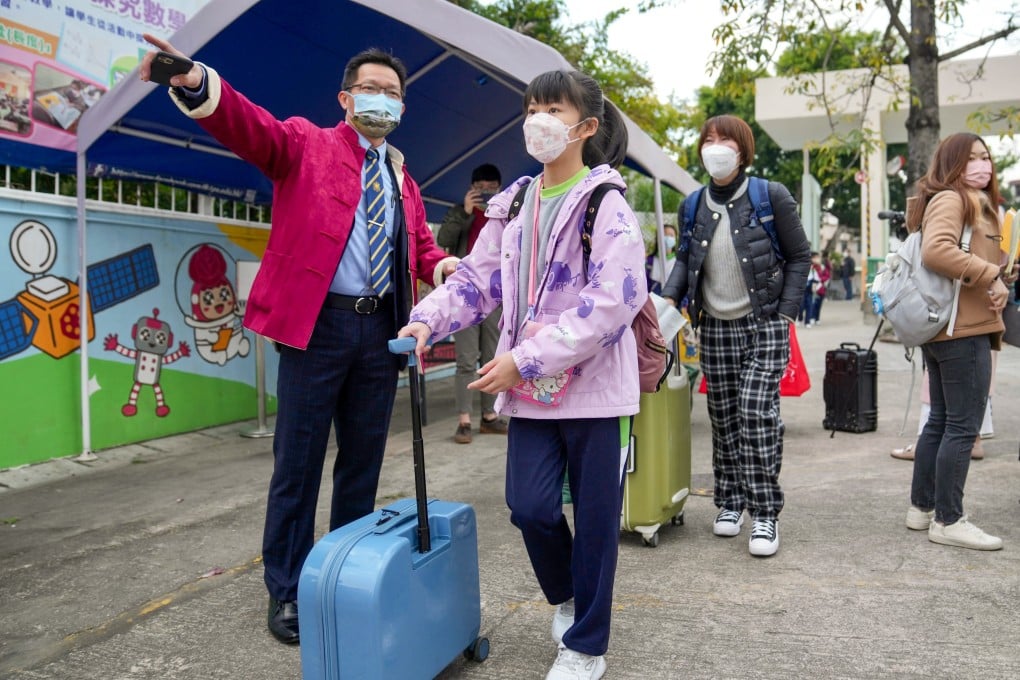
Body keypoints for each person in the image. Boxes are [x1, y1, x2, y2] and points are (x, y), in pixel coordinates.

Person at [139, 36, 458, 643]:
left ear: (402, 107)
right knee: (299, 463)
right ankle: (286, 588)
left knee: (361, 464)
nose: (382, 100)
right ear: (345, 98)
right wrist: (196, 81)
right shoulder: (305, 144)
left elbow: (419, 246)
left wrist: (442, 266)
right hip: (317, 326)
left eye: (392, 93)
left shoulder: (403, 179)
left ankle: (344, 577)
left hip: (381, 331)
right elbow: (249, 126)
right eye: (371, 89)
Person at [399, 69, 643, 680]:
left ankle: (586, 647)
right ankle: (569, 596)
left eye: (553, 109)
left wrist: (524, 358)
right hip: (531, 391)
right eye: (532, 107)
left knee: (596, 525)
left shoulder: (606, 204)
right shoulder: (513, 205)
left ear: (585, 126)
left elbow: (615, 301)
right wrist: (427, 319)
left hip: (595, 393)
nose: (538, 119)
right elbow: (477, 280)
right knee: (529, 507)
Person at [662, 114, 811, 558]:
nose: (715, 146)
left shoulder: (770, 195)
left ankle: (765, 511)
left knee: (756, 412)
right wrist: (668, 299)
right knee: (724, 417)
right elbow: (684, 260)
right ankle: (730, 500)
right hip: (714, 326)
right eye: (709, 139)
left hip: (763, 323)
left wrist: (784, 316)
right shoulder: (692, 204)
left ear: (743, 150)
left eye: (725, 139)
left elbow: (800, 257)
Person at [901, 131, 1009, 551]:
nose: (983, 165)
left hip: (948, 327)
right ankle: (949, 519)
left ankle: (922, 508)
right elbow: (937, 251)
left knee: (942, 421)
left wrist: (1001, 271)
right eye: (972, 159)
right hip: (961, 329)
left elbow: (967, 259)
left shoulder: (970, 201)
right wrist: (990, 274)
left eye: (986, 157)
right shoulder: (953, 198)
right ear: (952, 164)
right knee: (963, 426)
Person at [436, 163, 509, 443]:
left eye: (491, 188)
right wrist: (465, 212)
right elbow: (443, 240)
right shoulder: (459, 211)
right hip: (466, 295)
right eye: (481, 188)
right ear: (471, 188)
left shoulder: (504, 215)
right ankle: (464, 421)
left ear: (500, 188)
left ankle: (489, 416)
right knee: (466, 359)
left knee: (492, 358)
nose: (486, 193)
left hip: (496, 296)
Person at [645, 224, 677, 295]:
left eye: (671, 235)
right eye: (665, 235)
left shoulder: (678, 262)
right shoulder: (650, 260)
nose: (668, 238)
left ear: (675, 239)